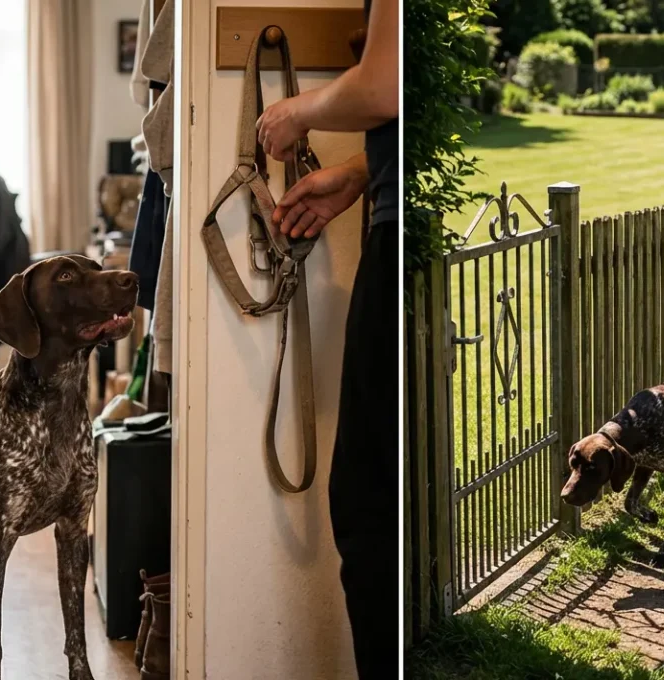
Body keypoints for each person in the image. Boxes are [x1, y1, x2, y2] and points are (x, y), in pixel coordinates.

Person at [254, 0, 397, 676]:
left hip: (397, 242)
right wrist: (357, 175)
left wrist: (299, 112)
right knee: (379, 502)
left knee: (369, 509)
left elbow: (385, 85)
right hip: (389, 221)